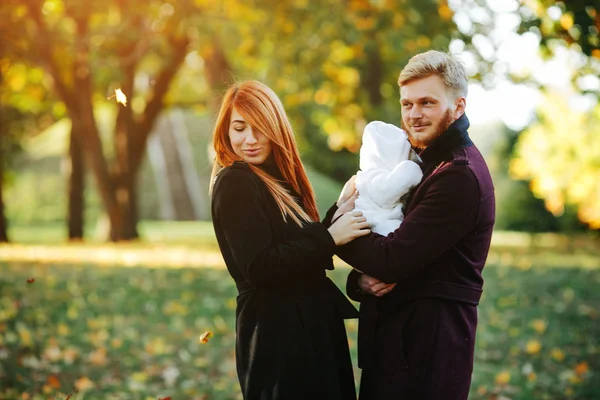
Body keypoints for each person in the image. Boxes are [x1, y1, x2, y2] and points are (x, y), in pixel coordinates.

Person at [328, 50, 496, 399]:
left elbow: (391, 259)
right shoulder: (424, 162)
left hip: (427, 357)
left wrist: (338, 222)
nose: (414, 115)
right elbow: (401, 251)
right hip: (396, 348)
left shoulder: (457, 175)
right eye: (407, 104)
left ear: (459, 106)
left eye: (427, 103)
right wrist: (360, 282)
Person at [210, 80, 370, 400]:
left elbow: (293, 245)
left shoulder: (271, 178)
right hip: (278, 334)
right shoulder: (236, 181)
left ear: (277, 129)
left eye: (260, 128)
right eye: (240, 128)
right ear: (225, 131)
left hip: (307, 327)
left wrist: (336, 213)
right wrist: (329, 238)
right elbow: (260, 266)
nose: (250, 139)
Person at [353, 120, 423, 236]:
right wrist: (411, 167)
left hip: (377, 221)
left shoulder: (372, 175)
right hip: (371, 221)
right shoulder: (372, 177)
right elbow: (385, 193)